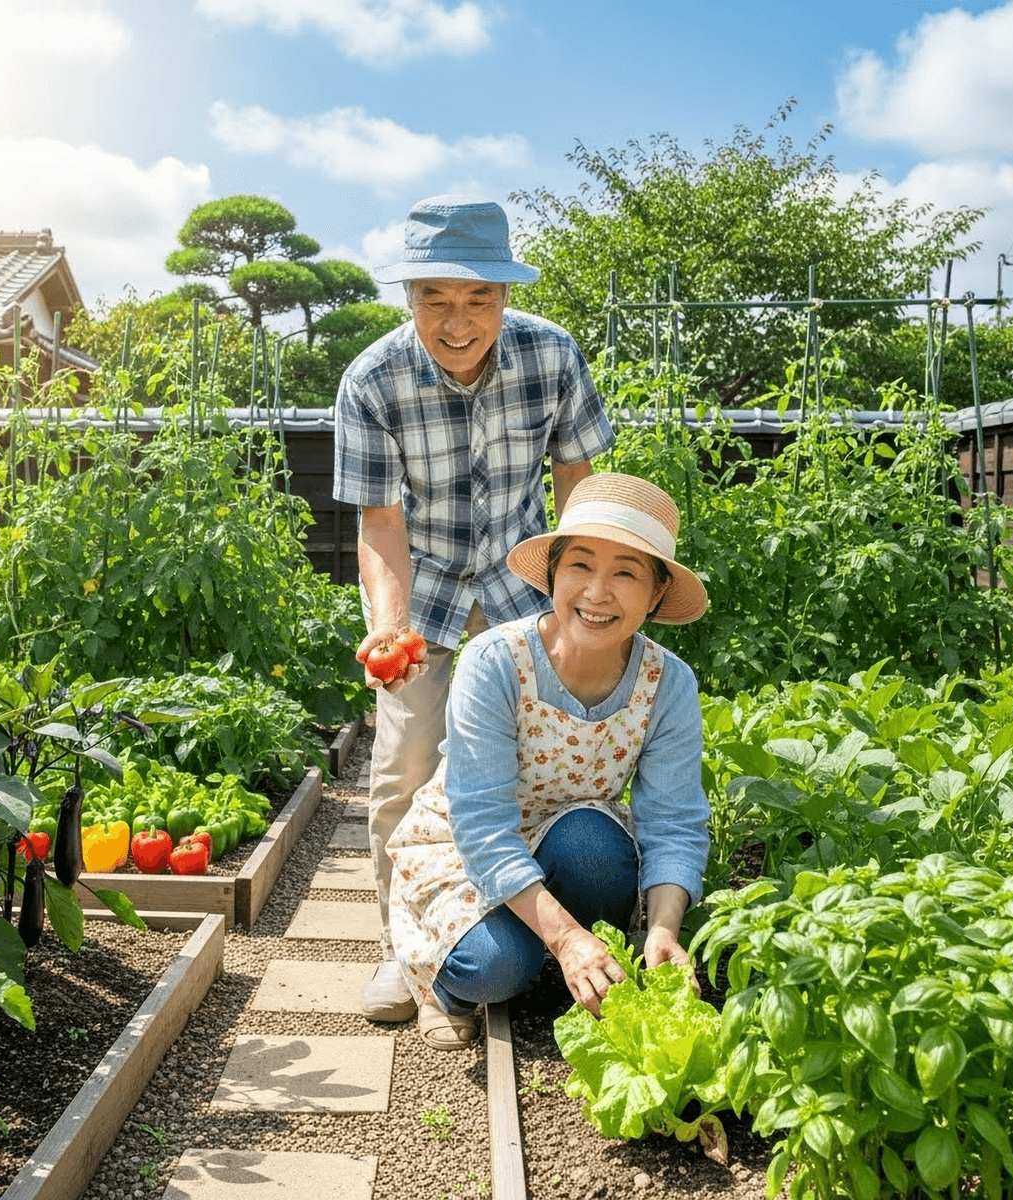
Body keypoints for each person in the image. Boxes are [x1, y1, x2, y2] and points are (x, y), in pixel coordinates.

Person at [333, 195, 616, 1023]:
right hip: (424, 596)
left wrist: (582, 603)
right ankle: (405, 953)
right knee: (407, 767)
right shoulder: (373, 380)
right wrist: (389, 626)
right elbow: (379, 523)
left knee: (540, 762)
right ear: (409, 296)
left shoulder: (552, 356)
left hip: (525, 584)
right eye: (435, 299)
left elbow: (579, 490)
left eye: (477, 299)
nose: (457, 322)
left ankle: (517, 926)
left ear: (503, 294)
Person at [384, 472, 710, 1049]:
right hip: (465, 847)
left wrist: (663, 929)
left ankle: (547, 951)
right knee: (493, 966)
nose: (597, 592)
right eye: (580, 565)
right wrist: (564, 940)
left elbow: (674, 822)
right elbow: (482, 825)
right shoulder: (495, 661)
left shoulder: (669, 684)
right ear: (555, 572)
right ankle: (454, 984)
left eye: (626, 573)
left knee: (597, 852)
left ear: (658, 594)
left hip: (569, 836)